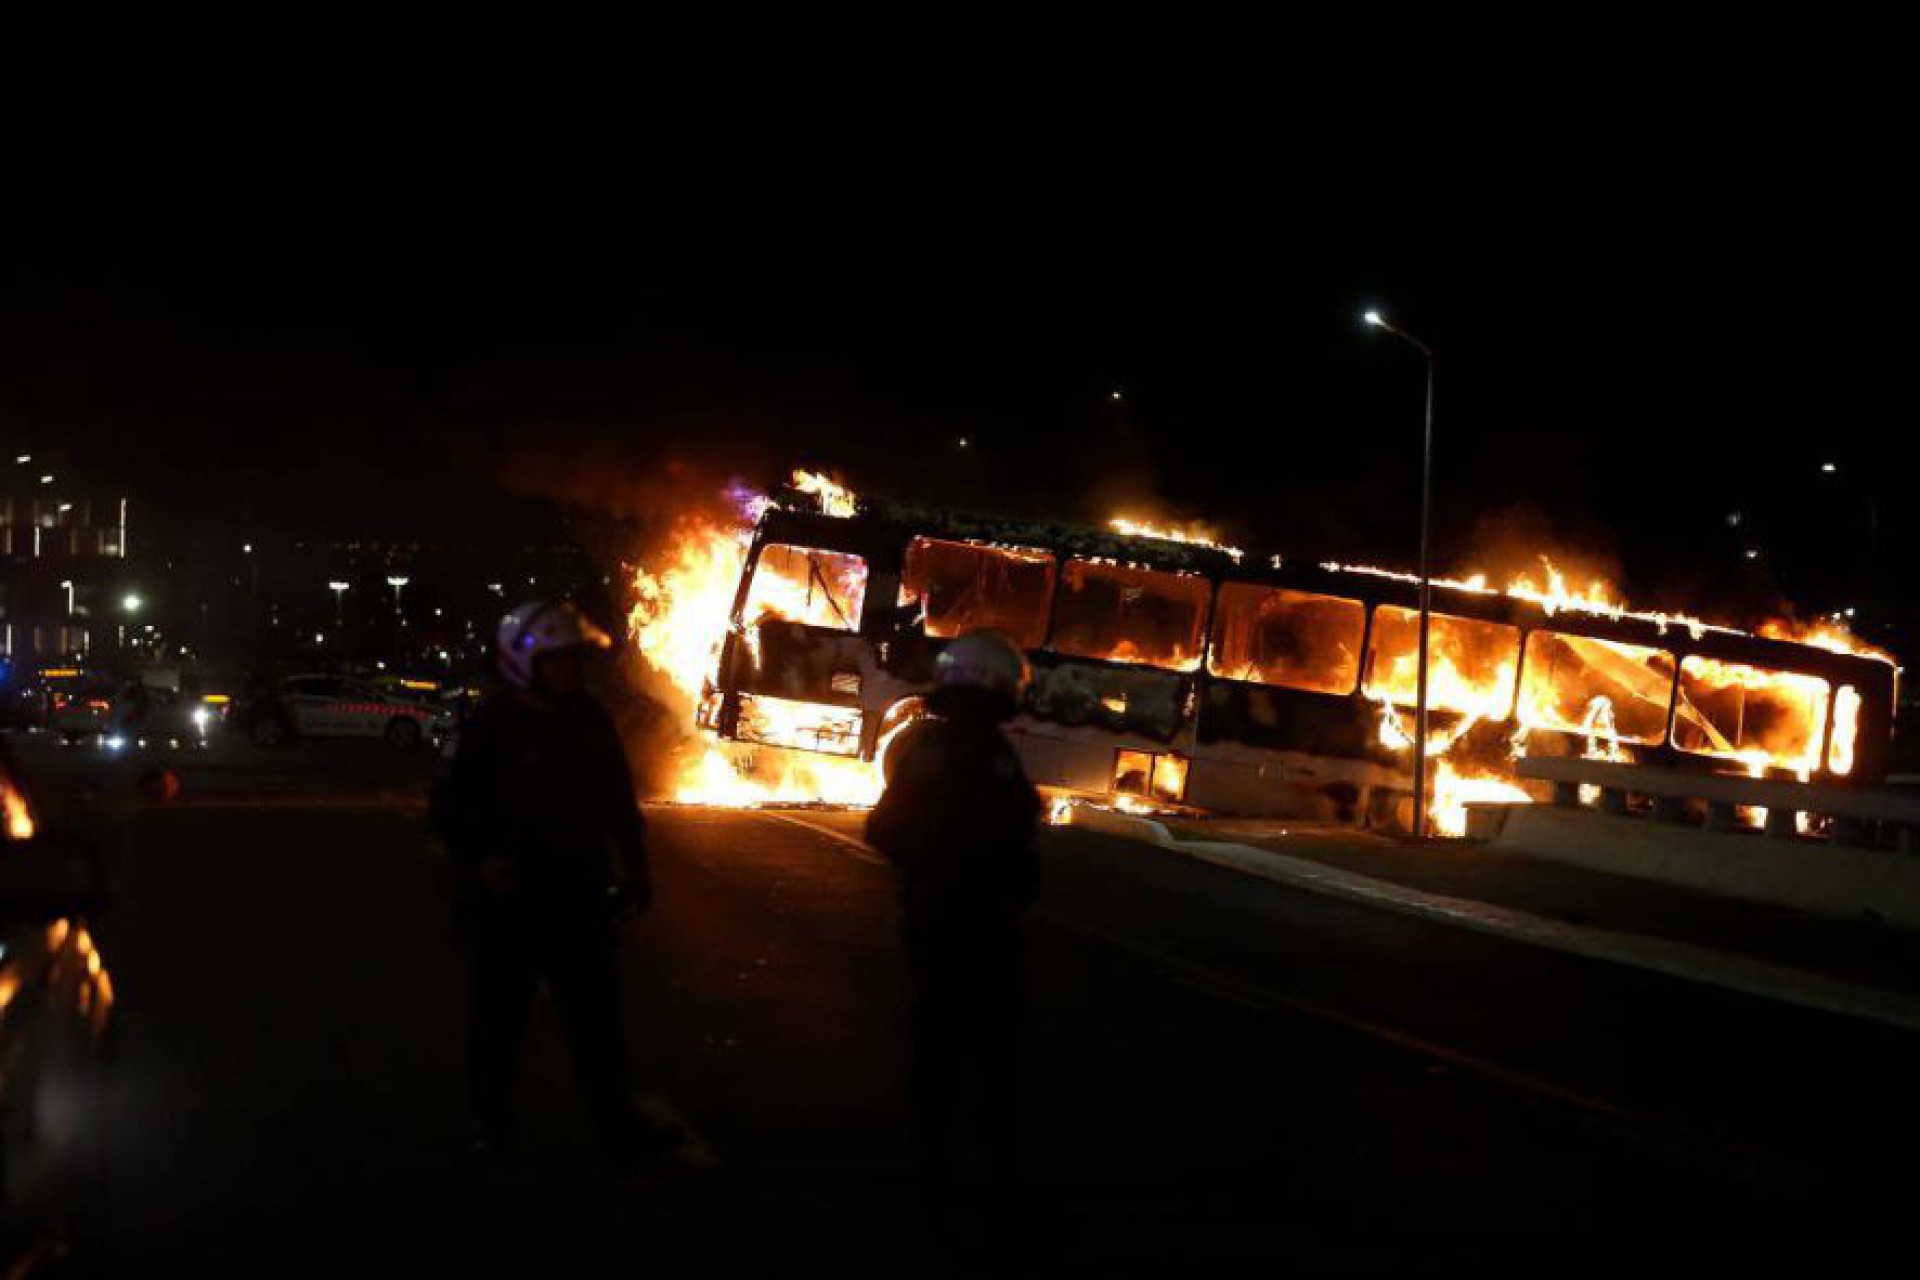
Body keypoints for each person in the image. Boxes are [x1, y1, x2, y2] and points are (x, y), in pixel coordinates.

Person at [431, 599, 675, 1166]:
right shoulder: (486, 727)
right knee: (498, 1025)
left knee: (597, 1023)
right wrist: (478, 863)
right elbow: (447, 809)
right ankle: (493, 1130)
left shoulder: (589, 720)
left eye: (573, 660)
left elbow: (618, 801)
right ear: (522, 664)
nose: (569, 671)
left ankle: (616, 1127)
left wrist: (635, 868)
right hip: (511, 902)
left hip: (578, 895)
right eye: (557, 661)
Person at [865, 629, 1041, 1216]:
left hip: (973, 921)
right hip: (955, 923)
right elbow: (887, 829)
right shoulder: (947, 753)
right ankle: (945, 1177)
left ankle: (967, 1170)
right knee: (959, 1049)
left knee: (976, 1051)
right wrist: (948, 867)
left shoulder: (985, 750)